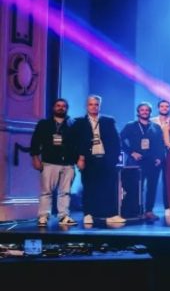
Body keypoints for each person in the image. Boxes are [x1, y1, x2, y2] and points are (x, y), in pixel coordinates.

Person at [74, 94, 125, 226]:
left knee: (108, 188)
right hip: (88, 160)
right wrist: (79, 158)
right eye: (91, 104)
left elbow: (116, 141)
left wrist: (113, 159)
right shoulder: (79, 122)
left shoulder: (108, 121)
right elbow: (76, 142)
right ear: (87, 106)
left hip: (106, 159)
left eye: (96, 104)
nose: (93, 107)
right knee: (89, 188)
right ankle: (88, 214)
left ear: (99, 106)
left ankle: (111, 215)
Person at [30, 98, 78, 227]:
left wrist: (78, 159)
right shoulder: (44, 124)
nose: (61, 108)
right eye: (58, 105)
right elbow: (35, 141)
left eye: (64, 106)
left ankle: (64, 216)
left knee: (65, 192)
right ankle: (43, 216)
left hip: (68, 163)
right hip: (49, 162)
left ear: (67, 109)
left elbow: (77, 144)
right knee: (46, 192)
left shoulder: (73, 124)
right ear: (53, 108)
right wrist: (35, 158)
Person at [120, 102, 165, 221]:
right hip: (136, 162)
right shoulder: (131, 126)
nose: (145, 112)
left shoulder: (156, 127)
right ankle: (137, 211)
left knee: (152, 187)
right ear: (138, 112)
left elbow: (160, 144)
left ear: (150, 112)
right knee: (136, 187)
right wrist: (131, 152)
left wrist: (159, 158)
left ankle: (149, 211)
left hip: (152, 162)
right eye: (142, 110)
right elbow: (119, 140)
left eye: (147, 110)